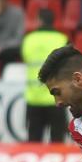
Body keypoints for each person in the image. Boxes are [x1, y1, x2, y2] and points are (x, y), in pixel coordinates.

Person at [21, 8, 68, 142]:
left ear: (39, 21)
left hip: (33, 99)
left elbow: (26, 57)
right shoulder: (62, 39)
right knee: (58, 144)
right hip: (56, 99)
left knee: (34, 143)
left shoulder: (28, 39)